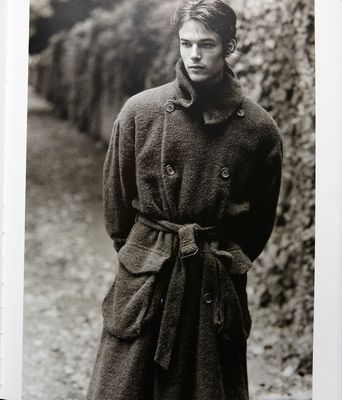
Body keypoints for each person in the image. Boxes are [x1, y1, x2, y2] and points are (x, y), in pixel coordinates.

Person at [86, 0, 282, 399]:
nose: (194, 54)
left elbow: (259, 223)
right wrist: (144, 255)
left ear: (229, 45)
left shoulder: (259, 130)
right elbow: (117, 205)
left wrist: (223, 260)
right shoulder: (140, 112)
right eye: (186, 43)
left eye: (207, 44)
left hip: (212, 279)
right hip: (148, 276)